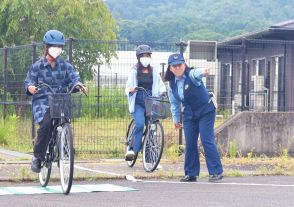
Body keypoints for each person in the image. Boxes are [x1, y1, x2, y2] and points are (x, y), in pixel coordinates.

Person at [24, 30, 87, 173]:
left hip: (60, 100)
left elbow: (74, 78)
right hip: (43, 101)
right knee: (46, 124)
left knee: (63, 122)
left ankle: (64, 149)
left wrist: (79, 85)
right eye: (53, 46)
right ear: (46, 47)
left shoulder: (65, 66)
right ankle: (38, 157)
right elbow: (28, 82)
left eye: (59, 46)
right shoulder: (37, 66)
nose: (56, 49)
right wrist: (30, 87)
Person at [165, 53, 223, 182]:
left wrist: (204, 71)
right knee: (190, 142)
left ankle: (216, 172)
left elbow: (198, 73)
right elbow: (174, 104)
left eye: (180, 65)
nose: (177, 68)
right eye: (174, 66)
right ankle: (191, 173)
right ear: (170, 68)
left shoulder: (191, 75)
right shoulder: (172, 84)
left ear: (184, 65)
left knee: (206, 139)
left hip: (206, 110)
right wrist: (176, 120)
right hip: (189, 114)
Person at [125, 44, 166, 160]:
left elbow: (160, 84)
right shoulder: (134, 71)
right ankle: (131, 149)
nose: (146, 57)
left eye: (148, 55)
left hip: (151, 102)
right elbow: (128, 86)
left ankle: (151, 158)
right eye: (143, 55)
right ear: (138, 57)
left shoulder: (154, 70)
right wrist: (131, 89)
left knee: (152, 127)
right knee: (139, 124)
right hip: (138, 102)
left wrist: (163, 91)